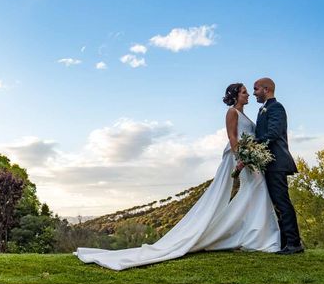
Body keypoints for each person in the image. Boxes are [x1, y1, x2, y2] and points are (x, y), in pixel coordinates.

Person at [75, 83, 280, 271]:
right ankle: (255, 237)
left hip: (250, 157)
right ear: (236, 95)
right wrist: (240, 158)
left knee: (255, 191)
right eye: (245, 92)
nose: (248, 95)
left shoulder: (246, 115)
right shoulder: (232, 112)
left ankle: (253, 236)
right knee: (253, 190)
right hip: (239, 157)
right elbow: (232, 137)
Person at [253, 77, 303, 255]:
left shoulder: (276, 107)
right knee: (277, 203)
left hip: (277, 162)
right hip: (269, 163)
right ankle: (285, 242)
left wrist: (253, 145)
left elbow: (273, 133)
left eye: (256, 89)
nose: (254, 93)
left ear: (266, 89)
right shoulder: (263, 109)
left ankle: (294, 243)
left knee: (282, 202)